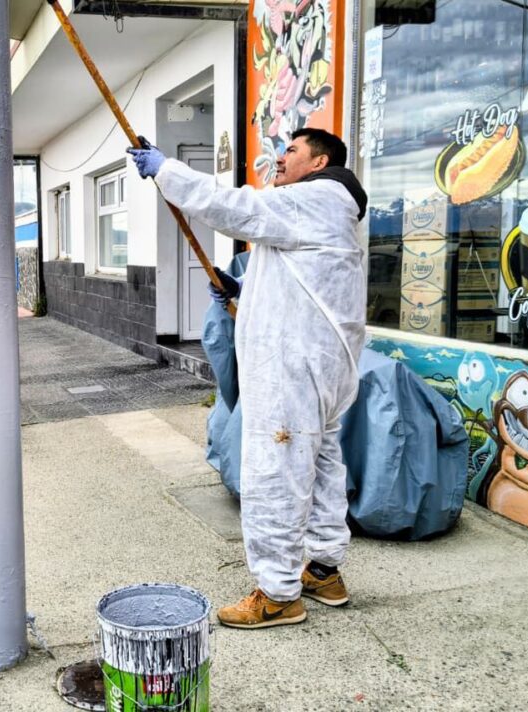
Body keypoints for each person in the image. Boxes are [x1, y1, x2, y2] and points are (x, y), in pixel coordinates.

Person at [128, 128, 368, 629]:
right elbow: (298, 277)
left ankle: (279, 594)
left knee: (274, 472)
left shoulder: (317, 197)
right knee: (322, 464)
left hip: (294, 368)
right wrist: (243, 287)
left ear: (320, 162)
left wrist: (166, 171)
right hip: (321, 364)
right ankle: (323, 569)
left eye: (292, 152)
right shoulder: (325, 209)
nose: (280, 160)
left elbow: (236, 208)